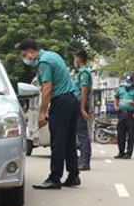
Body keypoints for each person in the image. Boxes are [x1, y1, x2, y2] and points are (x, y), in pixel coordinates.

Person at [19, 38, 81, 190]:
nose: (25, 59)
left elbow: (47, 89)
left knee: (58, 141)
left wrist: (41, 114)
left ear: (31, 52)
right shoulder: (53, 55)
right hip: (71, 100)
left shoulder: (43, 62)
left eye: (24, 55)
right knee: (69, 141)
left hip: (61, 102)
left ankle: (54, 178)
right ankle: (73, 175)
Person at [113, 74, 134, 159]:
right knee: (120, 134)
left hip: (131, 114)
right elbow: (116, 98)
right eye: (127, 82)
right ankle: (121, 152)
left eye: (130, 82)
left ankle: (128, 153)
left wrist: (133, 103)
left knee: (131, 134)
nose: (128, 83)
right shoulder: (120, 88)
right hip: (121, 113)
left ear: (132, 82)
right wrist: (115, 106)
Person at [73, 50, 93, 171]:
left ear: (78, 59)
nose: (74, 61)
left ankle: (85, 161)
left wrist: (81, 108)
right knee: (78, 133)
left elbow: (84, 91)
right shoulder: (80, 72)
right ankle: (81, 160)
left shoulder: (84, 73)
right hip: (78, 105)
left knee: (82, 134)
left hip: (81, 105)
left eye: (75, 58)